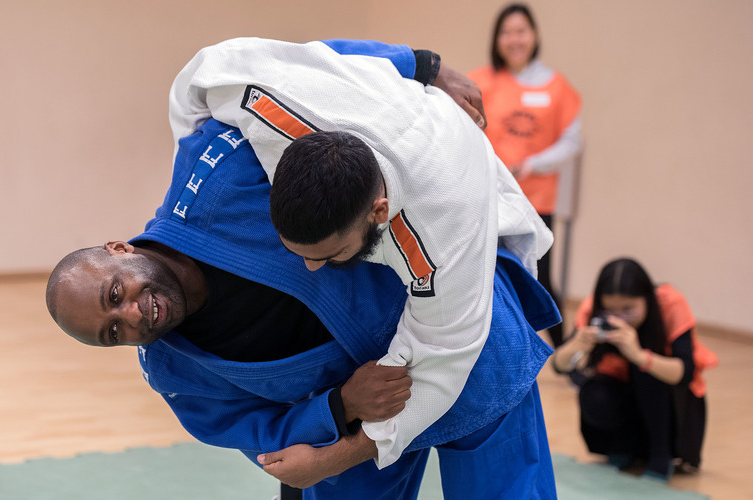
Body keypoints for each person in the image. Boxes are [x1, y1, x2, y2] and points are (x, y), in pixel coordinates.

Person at [47, 39, 560, 499]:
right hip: (355, 416)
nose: (133, 316)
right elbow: (266, 438)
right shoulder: (177, 371)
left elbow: (295, 69)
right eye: (114, 332)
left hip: (465, 351)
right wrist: (339, 408)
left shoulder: (221, 174)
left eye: (116, 295)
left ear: (118, 249)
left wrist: (418, 66)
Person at [468, 3, 583, 348]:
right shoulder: (480, 81)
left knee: (541, 276)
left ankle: (565, 352)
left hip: (536, 199)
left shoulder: (557, 86)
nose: (514, 39)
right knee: (485, 270)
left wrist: (533, 163)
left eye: (521, 31)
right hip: (486, 195)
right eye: (507, 32)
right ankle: (496, 347)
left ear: (534, 36)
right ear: (496, 38)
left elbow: (572, 141)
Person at [551, 258, 718, 481]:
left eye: (628, 309)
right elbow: (559, 366)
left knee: (645, 371)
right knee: (593, 391)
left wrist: (639, 355)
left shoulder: (670, 303)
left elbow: (684, 372)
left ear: (647, 299)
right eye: (611, 310)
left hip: (671, 407)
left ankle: (661, 455)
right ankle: (621, 447)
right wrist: (576, 344)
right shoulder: (594, 309)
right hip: (624, 400)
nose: (619, 317)